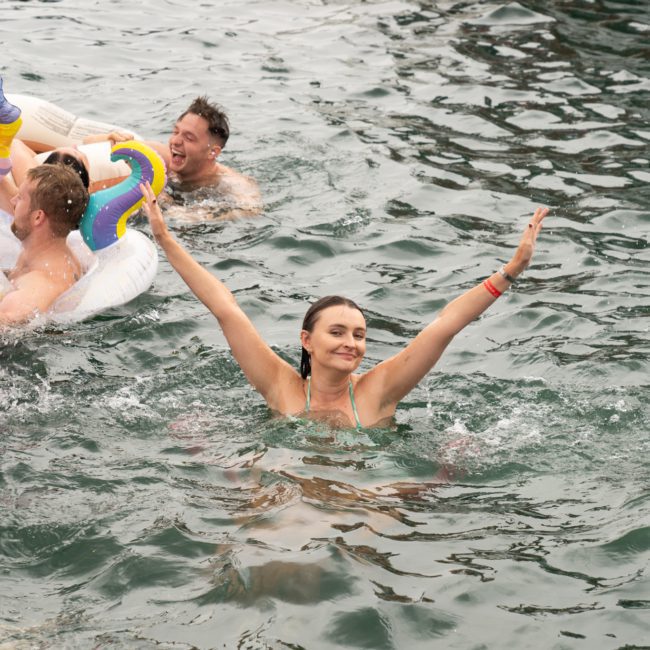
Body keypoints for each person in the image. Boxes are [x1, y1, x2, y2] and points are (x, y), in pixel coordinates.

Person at [140, 181, 549, 429]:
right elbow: (225, 307)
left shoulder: (379, 392)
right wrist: (165, 237)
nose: (351, 343)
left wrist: (511, 270)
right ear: (307, 340)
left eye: (359, 335)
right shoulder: (280, 387)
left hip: (364, 492)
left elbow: (446, 324)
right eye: (336, 332)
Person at [87, 96, 261, 217]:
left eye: (188, 137)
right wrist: (111, 138)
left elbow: (252, 209)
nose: (175, 141)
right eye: (176, 131)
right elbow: (90, 143)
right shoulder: (161, 157)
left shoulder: (228, 182)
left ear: (212, 152)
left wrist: (196, 216)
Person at [0, 164, 89, 325]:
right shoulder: (52, 252)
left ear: (38, 217)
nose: (13, 201)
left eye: (19, 197)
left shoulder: (32, 292)